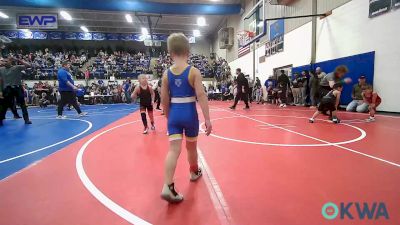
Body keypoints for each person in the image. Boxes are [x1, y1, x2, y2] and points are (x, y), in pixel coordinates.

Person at [160, 33, 212, 203]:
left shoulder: (166, 74)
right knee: (191, 148)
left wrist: (169, 118)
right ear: (188, 51)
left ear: (170, 52)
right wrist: (208, 119)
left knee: (173, 150)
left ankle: (168, 186)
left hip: (174, 114)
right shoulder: (194, 72)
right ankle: (193, 171)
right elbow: (201, 95)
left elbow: (163, 100)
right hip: (190, 115)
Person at [0, 55, 32, 125]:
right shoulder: (1, 69)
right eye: (4, 61)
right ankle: (0, 120)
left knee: (23, 105)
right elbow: (1, 81)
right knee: (4, 105)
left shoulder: (17, 67)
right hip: (8, 89)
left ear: (11, 61)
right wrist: (1, 91)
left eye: (6, 61)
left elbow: (29, 65)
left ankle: (26, 120)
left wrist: (17, 59)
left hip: (17, 88)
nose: (4, 62)